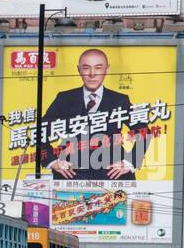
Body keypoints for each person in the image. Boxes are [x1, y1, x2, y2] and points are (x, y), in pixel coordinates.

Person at [40, 48, 145, 181]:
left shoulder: (120, 100)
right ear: (79, 70)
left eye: (98, 68)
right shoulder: (64, 98)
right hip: (71, 174)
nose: (92, 74)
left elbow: (144, 131)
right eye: (86, 68)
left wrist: (129, 163)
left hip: (111, 175)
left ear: (107, 69)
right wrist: (52, 161)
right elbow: (40, 131)